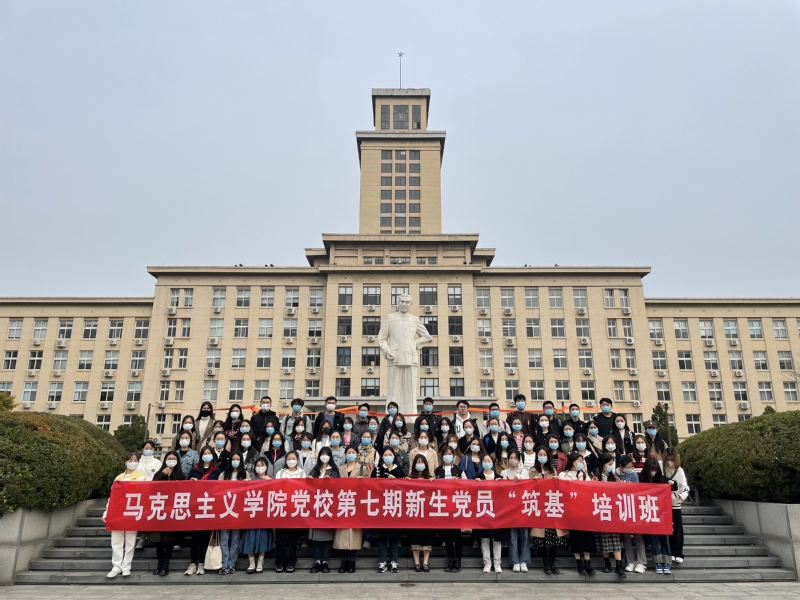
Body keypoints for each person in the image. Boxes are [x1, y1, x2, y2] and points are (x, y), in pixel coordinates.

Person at [102, 452, 145, 578]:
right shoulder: (118, 477)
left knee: (130, 542)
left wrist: (124, 483)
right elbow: (112, 497)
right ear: (125, 462)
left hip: (132, 511)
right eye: (130, 460)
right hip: (118, 512)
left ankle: (126, 566)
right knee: (116, 541)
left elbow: (138, 490)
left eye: (135, 460)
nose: (133, 462)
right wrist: (106, 512)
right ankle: (116, 566)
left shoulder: (141, 476)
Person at [529, 445, 569, 573]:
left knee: (553, 536)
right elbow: (527, 489)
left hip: (551, 506)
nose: (542, 457)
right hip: (539, 507)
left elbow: (558, 489)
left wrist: (557, 482)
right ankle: (545, 562)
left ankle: (552, 562)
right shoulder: (532, 471)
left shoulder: (552, 470)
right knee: (541, 537)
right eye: (540, 455)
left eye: (544, 455)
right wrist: (533, 482)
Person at [335, 445, 371, 573]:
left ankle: (352, 562)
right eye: (348, 452)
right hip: (343, 503)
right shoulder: (340, 469)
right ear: (345, 454)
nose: (351, 454)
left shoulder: (362, 468)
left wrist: (363, 481)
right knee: (342, 535)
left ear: (357, 454)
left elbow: (369, 485)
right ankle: (343, 561)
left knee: (354, 535)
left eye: (353, 452)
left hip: (356, 504)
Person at [185, 445, 220, 575]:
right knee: (195, 538)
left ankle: (201, 563)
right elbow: (186, 486)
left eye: (209, 453)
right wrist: (191, 482)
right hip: (196, 507)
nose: (207, 456)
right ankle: (192, 563)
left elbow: (220, 487)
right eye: (204, 453)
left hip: (210, 507)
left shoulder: (217, 471)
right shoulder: (194, 470)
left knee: (205, 537)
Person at [150, 452, 185, 576]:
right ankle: (159, 563)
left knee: (170, 540)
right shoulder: (159, 473)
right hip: (159, 510)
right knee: (159, 541)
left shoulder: (180, 475)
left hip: (173, 511)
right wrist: (163, 475)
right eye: (169, 458)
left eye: (174, 459)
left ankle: (166, 564)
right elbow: (152, 486)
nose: (171, 460)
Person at [559, 452, 594, 575]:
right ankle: (579, 561)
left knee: (588, 536)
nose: (581, 463)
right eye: (579, 461)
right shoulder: (563, 475)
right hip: (572, 510)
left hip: (585, 509)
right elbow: (562, 489)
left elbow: (589, 489)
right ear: (573, 462)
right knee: (576, 537)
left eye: (582, 461)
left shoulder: (584, 474)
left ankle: (587, 561)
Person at [372, 448, 405, 573]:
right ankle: (382, 561)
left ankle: (394, 561)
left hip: (395, 507)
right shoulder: (377, 470)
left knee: (394, 536)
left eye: (390, 455)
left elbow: (404, 487)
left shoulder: (399, 470)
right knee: (382, 536)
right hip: (381, 507)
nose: (388, 457)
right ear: (382, 457)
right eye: (385, 455)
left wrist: (395, 481)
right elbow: (372, 486)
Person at [273, 451, 306, 573]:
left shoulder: (302, 473)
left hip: (295, 510)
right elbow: (275, 489)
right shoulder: (280, 473)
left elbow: (304, 490)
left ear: (297, 460)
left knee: (293, 538)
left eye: (293, 458)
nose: (291, 461)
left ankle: (291, 562)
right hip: (282, 509)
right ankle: (280, 562)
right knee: (280, 538)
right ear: (286, 460)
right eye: (289, 458)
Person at [308, 447, 339, 573]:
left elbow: (338, 488)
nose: (324, 456)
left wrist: (330, 482)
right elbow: (307, 487)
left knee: (327, 536)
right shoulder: (315, 470)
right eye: (322, 454)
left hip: (328, 506)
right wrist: (309, 481)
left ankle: (325, 561)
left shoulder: (334, 471)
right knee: (316, 537)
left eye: (327, 454)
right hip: (315, 506)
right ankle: (317, 561)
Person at [640, 457, 673, 574]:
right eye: (651, 469)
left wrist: (672, 483)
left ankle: (666, 562)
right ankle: (658, 562)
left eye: (655, 469)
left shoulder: (661, 478)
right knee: (655, 539)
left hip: (663, 513)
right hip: (650, 513)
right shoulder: (642, 479)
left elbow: (675, 486)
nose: (653, 472)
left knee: (665, 539)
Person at [475, 454, 507, 573]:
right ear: (481, 463)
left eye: (489, 461)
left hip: (496, 512)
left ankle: (497, 562)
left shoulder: (499, 477)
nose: (487, 462)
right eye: (485, 460)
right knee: (485, 539)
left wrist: (501, 484)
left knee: (497, 539)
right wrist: (476, 483)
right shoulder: (478, 477)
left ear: (492, 463)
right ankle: (487, 562)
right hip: (483, 511)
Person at [434, 446, 464, 572]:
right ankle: (450, 558)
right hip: (443, 507)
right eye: (445, 454)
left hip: (456, 507)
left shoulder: (459, 470)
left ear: (453, 456)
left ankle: (458, 560)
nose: (448, 456)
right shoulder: (437, 470)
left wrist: (458, 482)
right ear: (442, 456)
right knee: (447, 536)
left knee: (457, 536)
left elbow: (467, 486)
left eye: (450, 454)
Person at [218, 451, 249, 574]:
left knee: (235, 539)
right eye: (233, 459)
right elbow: (217, 490)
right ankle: (223, 564)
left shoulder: (245, 474)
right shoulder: (223, 474)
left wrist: (247, 484)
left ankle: (231, 564)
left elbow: (250, 491)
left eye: (237, 459)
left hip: (238, 511)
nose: (235, 461)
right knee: (224, 539)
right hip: (224, 510)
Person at [242, 457, 274, 573]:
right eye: (258, 465)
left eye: (262, 465)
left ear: (267, 467)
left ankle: (260, 562)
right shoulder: (251, 479)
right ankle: (251, 563)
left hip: (264, 515)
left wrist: (271, 483)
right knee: (250, 537)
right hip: (252, 513)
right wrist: (245, 484)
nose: (260, 468)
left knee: (263, 538)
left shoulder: (271, 479)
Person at [501, 450, 530, 572]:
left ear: (519, 459)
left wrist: (521, 480)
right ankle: (515, 561)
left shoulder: (524, 472)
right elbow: (501, 489)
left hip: (523, 507)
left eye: (515, 458)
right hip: (510, 509)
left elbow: (529, 487)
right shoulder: (504, 472)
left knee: (525, 535)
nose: (513, 460)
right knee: (512, 536)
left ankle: (524, 561)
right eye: (511, 457)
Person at [408, 455, 436, 572]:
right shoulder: (410, 478)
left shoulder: (430, 478)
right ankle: (417, 563)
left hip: (427, 513)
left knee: (427, 537)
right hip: (414, 512)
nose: (420, 464)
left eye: (422, 462)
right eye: (418, 462)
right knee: (415, 537)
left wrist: (433, 483)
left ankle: (425, 562)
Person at [664, 448, 689, 564]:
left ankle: (678, 552)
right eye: (668, 459)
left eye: (672, 459)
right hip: (663, 503)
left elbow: (685, 487)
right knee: (666, 528)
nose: (670, 462)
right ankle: (670, 552)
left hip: (675, 503)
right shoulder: (660, 467)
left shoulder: (679, 470)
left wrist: (682, 496)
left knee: (677, 529)